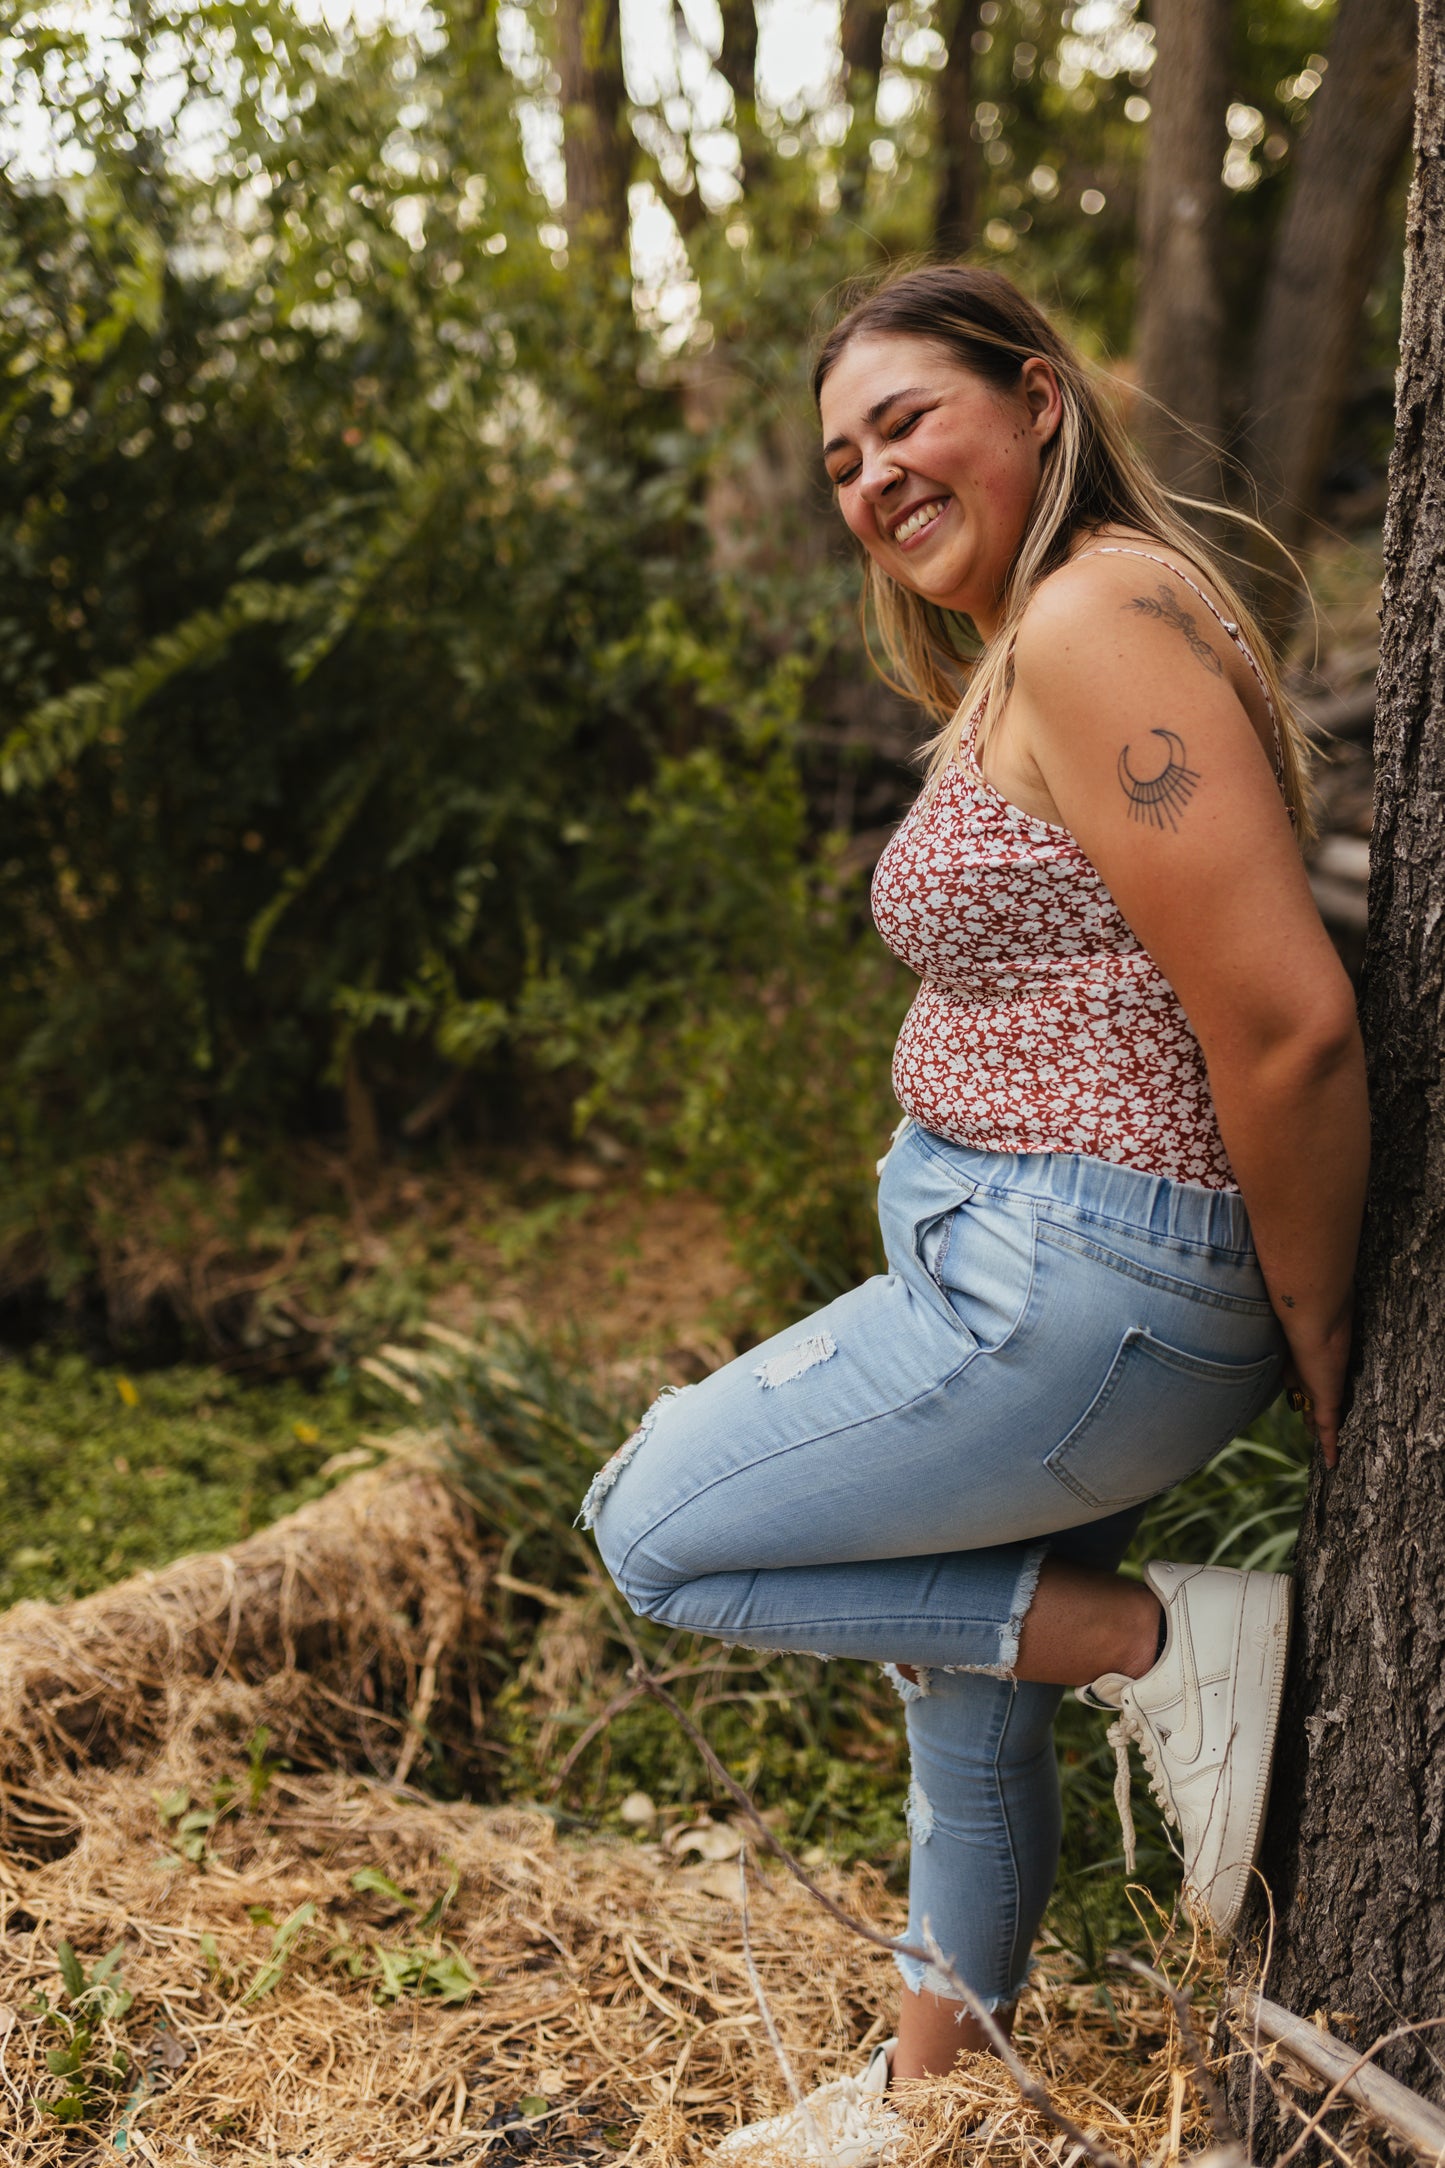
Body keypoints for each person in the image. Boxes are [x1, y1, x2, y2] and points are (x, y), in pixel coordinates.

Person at [580, 266, 1369, 2165]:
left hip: (1079, 1284)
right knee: (962, 1654)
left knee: (654, 1530)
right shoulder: (1058, 630)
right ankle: (930, 2104)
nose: (869, 477)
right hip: (1051, 1271)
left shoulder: (1097, 622)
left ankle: (1159, 1647)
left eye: (905, 421)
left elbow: (1286, 1025)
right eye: (840, 458)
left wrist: (1327, 1346)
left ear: (1034, 395)